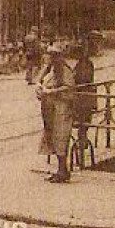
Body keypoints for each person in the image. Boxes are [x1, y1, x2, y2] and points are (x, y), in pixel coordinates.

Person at [36, 43, 75, 183]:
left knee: (60, 138)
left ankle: (63, 171)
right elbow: (40, 80)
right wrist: (39, 88)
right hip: (50, 107)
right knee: (53, 137)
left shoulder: (64, 70)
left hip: (62, 109)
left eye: (52, 55)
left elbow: (69, 87)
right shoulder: (50, 70)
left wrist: (52, 91)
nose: (49, 57)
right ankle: (61, 170)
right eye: (48, 55)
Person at [72, 36, 97, 153]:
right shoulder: (83, 64)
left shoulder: (85, 65)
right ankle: (82, 139)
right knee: (83, 119)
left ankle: (82, 139)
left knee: (84, 119)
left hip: (83, 95)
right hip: (84, 96)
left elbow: (84, 79)